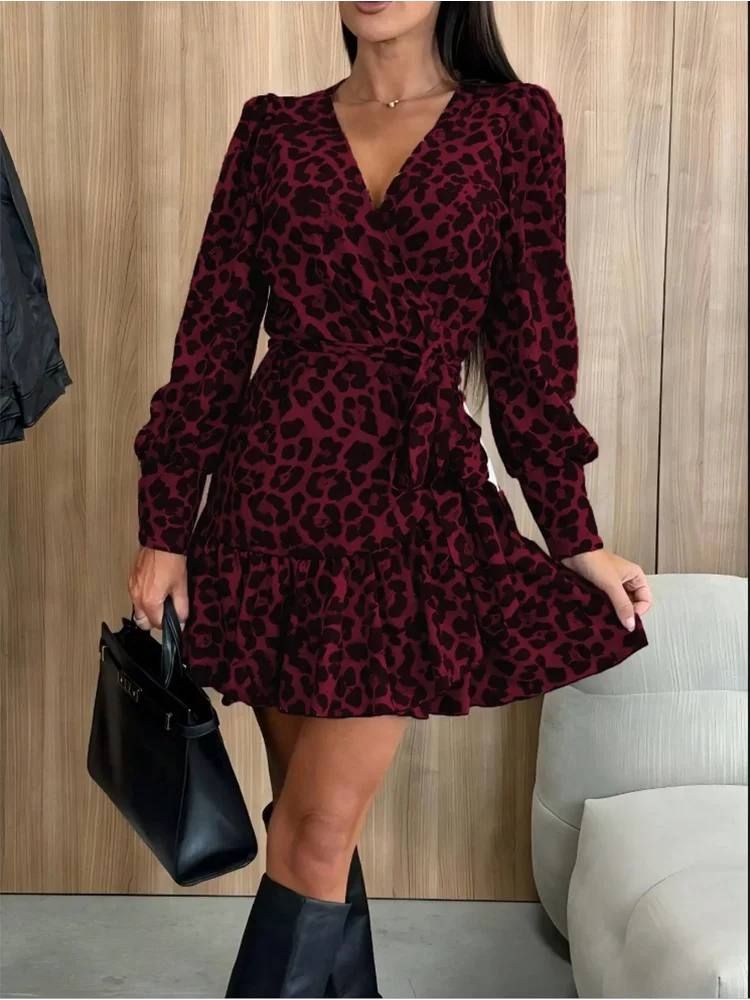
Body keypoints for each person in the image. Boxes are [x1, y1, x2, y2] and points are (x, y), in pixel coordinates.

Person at [128, 1, 653, 996]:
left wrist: (574, 534)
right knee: (310, 827)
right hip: (268, 506)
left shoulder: (513, 125)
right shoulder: (273, 131)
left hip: (407, 512)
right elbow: (212, 339)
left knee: (316, 828)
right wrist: (167, 524)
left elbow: (532, 348)